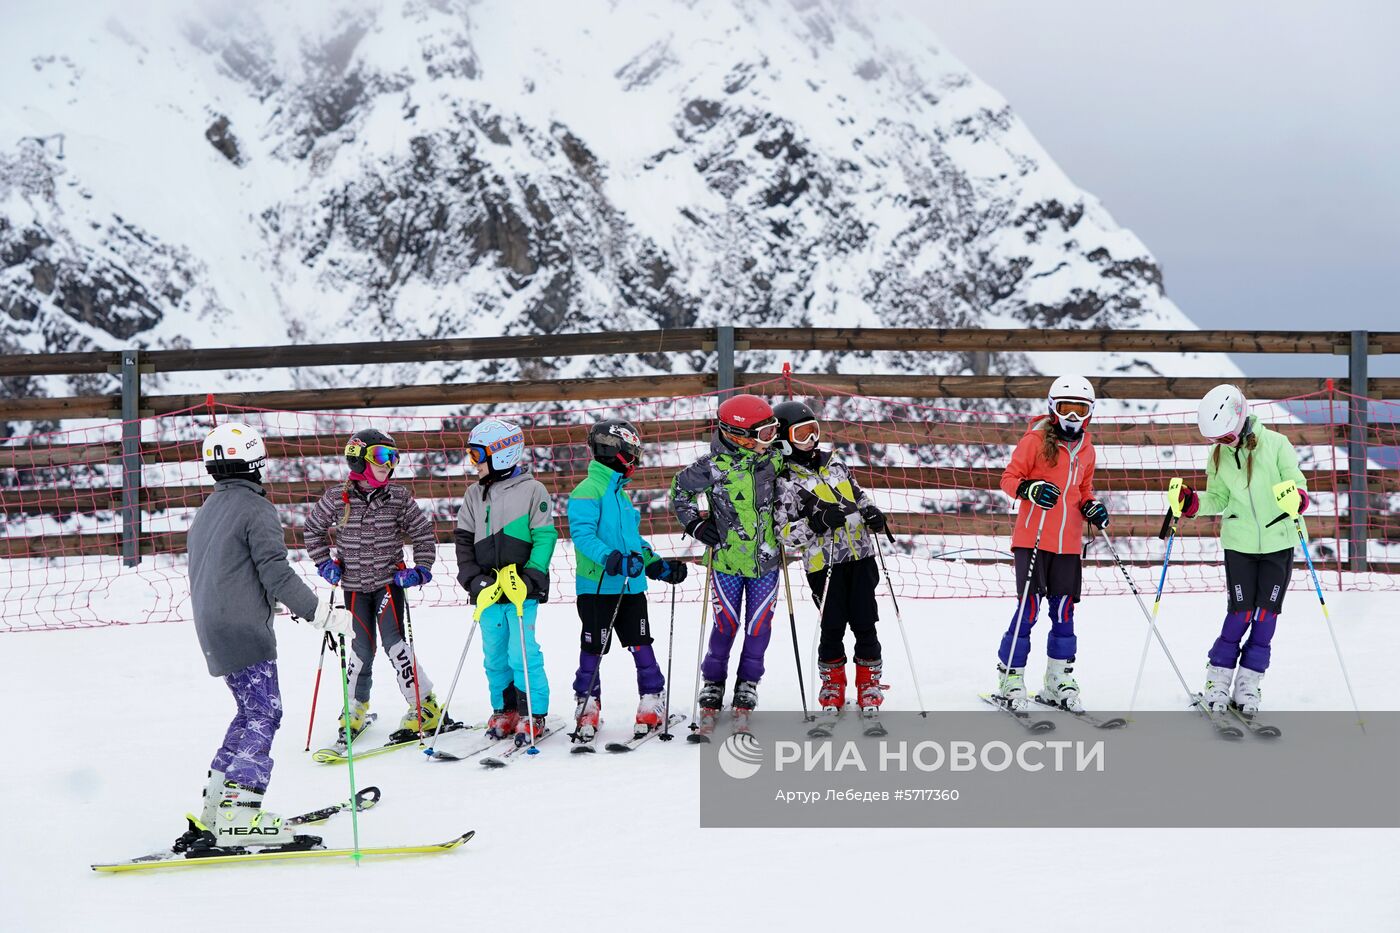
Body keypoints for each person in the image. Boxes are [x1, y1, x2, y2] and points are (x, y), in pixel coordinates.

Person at [181, 422, 350, 851]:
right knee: (265, 713)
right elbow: (275, 571)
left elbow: (230, 572)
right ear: (256, 460)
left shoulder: (208, 509)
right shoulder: (256, 508)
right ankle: (241, 813)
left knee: (248, 712)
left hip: (213, 625)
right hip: (242, 629)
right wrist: (321, 613)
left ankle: (215, 811)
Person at [303, 428, 444, 744]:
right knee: (360, 650)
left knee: (396, 645)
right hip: (352, 587)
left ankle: (425, 705)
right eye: (381, 456)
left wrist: (420, 569)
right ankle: (355, 706)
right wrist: (324, 563)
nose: (389, 464)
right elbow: (312, 530)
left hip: (387, 585)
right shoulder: (337, 499)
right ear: (357, 459)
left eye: (394, 457)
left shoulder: (398, 498)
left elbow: (422, 535)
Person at [1174, 384, 1308, 715]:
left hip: (1279, 543)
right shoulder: (1218, 455)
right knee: (1241, 612)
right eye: (1215, 439)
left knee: (1266, 615)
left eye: (1224, 437)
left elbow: (1297, 484)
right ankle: (1217, 679)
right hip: (1240, 545)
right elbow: (1217, 498)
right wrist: (1192, 502)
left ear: (1239, 420)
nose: (1220, 444)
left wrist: (1297, 499)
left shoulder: (1276, 444)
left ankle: (1249, 683)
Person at [670, 394, 802, 721]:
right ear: (738, 436)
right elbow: (679, 490)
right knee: (725, 624)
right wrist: (696, 524)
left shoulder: (774, 461)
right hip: (726, 561)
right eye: (766, 434)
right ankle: (713, 681)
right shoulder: (712, 467)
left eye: (774, 432)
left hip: (766, 562)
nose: (771, 440)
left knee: (758, 625)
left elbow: (801, 478)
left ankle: (748, 682)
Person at [566, 419, 689, 742]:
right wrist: (613, 559)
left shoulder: (620, 494)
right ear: (614, 451)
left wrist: (656, 565)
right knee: (593, 646)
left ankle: (651, 700)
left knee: (640, 642)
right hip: (596, 588)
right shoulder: (587, 491)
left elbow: (633, 542)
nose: (635, 460)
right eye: (631, 452)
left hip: (631, 587)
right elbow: (582, 537)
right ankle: (587, 704)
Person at [993, 375, 1108, 712]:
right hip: (1034, 537)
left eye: (1080, 410)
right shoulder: (1035, 440)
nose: (1072, 417)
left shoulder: (1087, 450)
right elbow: (1008, 479)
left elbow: (1083, 490)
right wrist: (1029, 489)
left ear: (1089, 413)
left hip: (1069, 542)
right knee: (1029, 607)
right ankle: (1010, 677)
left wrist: (1092, 506)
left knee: (1063, 611)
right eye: (1065, 409)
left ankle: (1058, 678)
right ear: (1052, 409)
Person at [771, 400, 889, 721]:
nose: (811, 440)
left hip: (861, 556)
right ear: (783, 438)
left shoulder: (835, 463)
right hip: (824, 565)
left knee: (866, 623)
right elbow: (782, 533)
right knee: (832, 626)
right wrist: (817, 521)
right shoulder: (785, 482)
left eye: (814, 432)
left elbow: (858, 494)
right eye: (802, 434)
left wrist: (871, 513)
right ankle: (833, 685)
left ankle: (868, 684)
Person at [454, 418, 558, 745]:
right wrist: (472, 580)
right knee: (495, 655)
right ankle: (505, 709)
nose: (473, 464)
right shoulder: (474, 494)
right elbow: (462, 541)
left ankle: (533, 712)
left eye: (476, 455)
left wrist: (532, 577)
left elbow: (544, 537)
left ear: (500, 454)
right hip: (488, 593)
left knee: (521, 652)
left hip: (521, 590)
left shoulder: (532, 490)